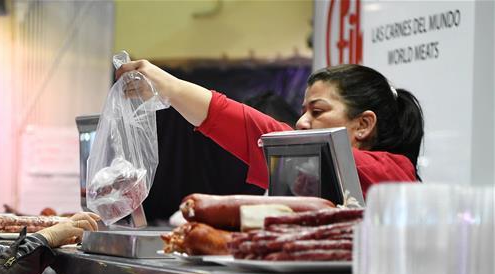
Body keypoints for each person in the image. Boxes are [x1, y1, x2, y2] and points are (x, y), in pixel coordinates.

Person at [116, 61, 424, 195]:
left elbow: (256, 132)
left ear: (364, 124)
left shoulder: (392, 174)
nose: (302, 122)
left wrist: (170, 88)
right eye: (303, 111)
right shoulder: (316, 176)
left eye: (317, 111)